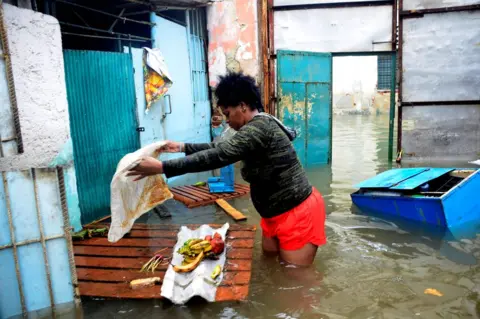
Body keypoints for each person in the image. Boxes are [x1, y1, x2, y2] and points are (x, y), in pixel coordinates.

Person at [127, 72, 326, 266]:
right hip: (273, 215)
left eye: (228, 114)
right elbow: (220, 148)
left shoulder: (260, 128)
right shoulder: (253, 128)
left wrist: (162, 167)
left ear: (243, 105)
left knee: (296, 280)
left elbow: (220, 156)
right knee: (271, 265)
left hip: (297, 213)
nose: (226, 120)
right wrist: (181, 147)